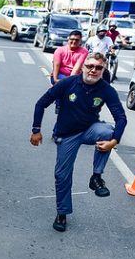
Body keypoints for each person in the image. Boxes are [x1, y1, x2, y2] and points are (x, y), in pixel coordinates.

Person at [31, 52, 128, 232]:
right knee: (62, 175)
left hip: (89, 129)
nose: (93, 70)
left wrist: (113, 142)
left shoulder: (107, 90)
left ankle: (96, 177)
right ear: (83, 67)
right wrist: (36, 130)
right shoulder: (69, 83)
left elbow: (121, 118)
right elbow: (41, 103)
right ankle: (62, 213)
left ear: (103, 70)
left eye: (98, 68)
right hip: (67, 134)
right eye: (90, 66)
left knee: (107, 131)